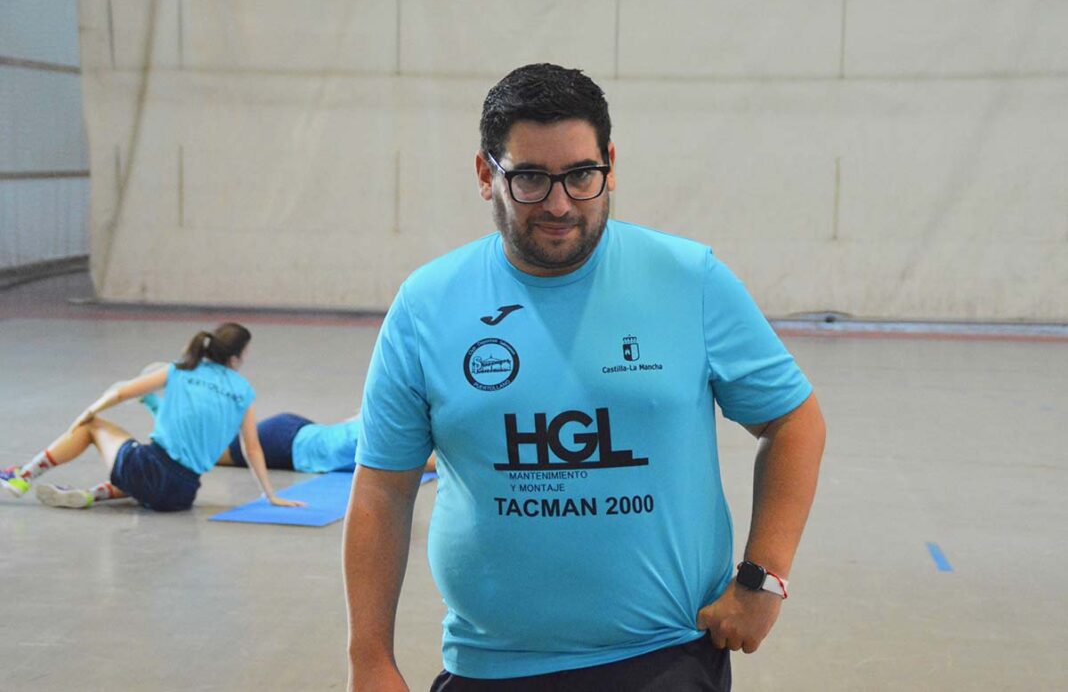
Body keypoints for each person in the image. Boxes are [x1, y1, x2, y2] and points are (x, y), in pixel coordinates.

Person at [342, 63, 826, 691]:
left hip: (664, 658)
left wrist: (764, 578)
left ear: (610, 165)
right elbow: (383, 489)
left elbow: (793, 420)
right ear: (486, 174)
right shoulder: (427, 305)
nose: (559, 203)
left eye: (580, 175)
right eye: (530, 178)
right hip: (489, 665)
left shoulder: (689, 280)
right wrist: (369, 658)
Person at [2, 323, 304, 511]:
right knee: (145, 478)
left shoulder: (180, 371)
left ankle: (22, 477)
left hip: (149, 468)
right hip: (181, 495)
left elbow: (121, 392)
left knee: (94, 428)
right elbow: (253, 448)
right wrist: (270, 495)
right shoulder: (243, 391)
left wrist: (88, 412)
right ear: (236, 357)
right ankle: (93, 495)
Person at [139, 388, 437, 474]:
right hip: (286, 444)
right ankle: (160, 409)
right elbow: (429, 464)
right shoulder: (384, 441)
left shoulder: (377, 423)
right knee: (206, 453)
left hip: (295, 431)